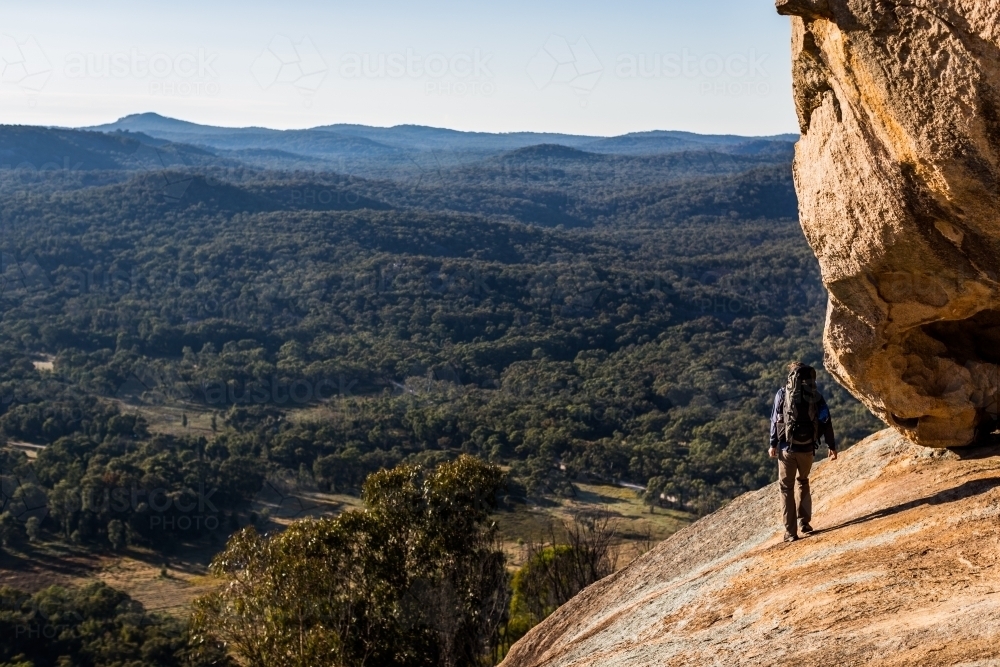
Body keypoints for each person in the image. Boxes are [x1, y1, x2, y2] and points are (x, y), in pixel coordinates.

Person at [768, 361, 837, 542]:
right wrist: (831, 445)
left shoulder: (782, 394)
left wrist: (772, 444)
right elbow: (825, 420)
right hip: (807, 449)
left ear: (791, 376)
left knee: (786, 488)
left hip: (787, 449)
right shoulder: (816, 395)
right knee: (803, 481)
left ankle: (790, 533)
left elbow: (775, 420)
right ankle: (804, 523)